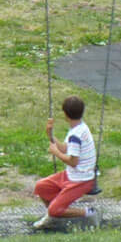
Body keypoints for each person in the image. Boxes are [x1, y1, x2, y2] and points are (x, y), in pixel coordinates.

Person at [31, 95, 97, 231]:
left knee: (55, 210)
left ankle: (89, 212)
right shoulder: (79, 128)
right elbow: (65, 148)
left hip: (81, 179)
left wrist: (56, 153)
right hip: (72, 175)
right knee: (41, 187)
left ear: (66, 115)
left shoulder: (76, 135)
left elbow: (73, 161)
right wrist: (50, 135)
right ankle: (52, 215)